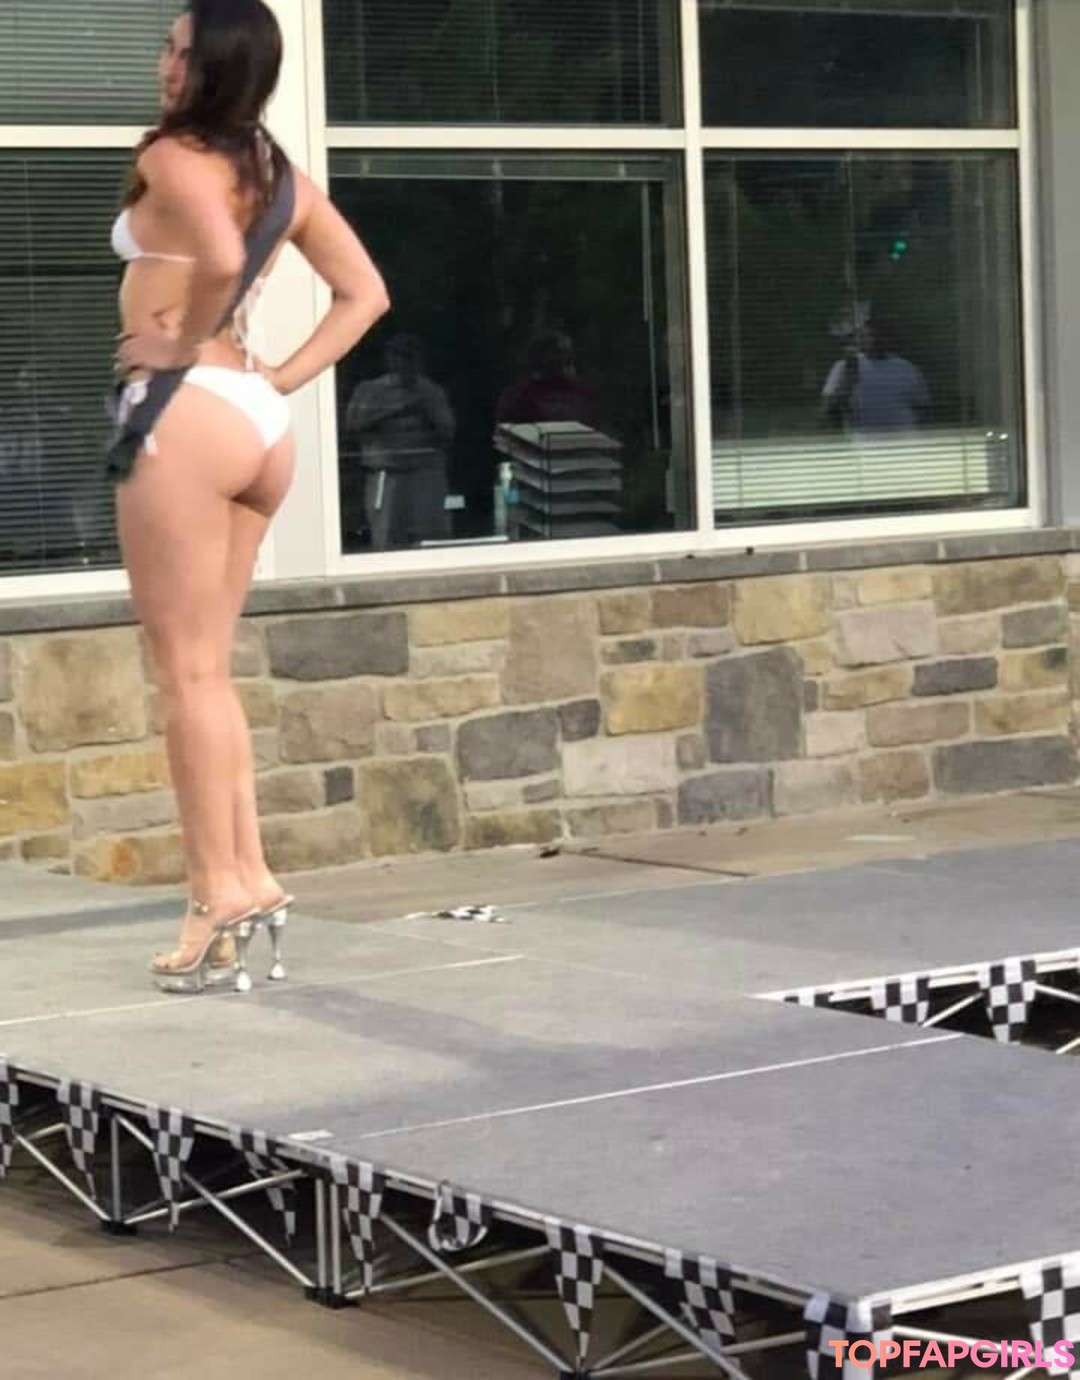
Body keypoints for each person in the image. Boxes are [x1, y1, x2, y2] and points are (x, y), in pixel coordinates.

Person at [112, 0, 389, 992]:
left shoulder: (172, 156)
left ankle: (212, 897)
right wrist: (276, 381)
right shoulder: (276, 174)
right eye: (168, 47)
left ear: (223, 66)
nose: (167, 66)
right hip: (256, 422)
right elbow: (366, 294)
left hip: (183, 413)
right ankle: (251, 875)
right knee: (210, 674)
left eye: (184, 53)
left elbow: (224, 262)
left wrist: (180, 342)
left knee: (183, 677)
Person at [344, 334, 454, 549]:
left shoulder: (431, 391)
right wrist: (394, 411)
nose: (404, 361)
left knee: (430, 540)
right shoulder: (369, 390)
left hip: (424, 475)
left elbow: (447, 431)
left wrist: (425, 410)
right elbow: (352, 425)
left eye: (409, 356)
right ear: (389, 358)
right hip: (384, 474)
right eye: (399, 355)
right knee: (386, 541)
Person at [822, 320, 930, 439]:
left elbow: (922, 407)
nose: (873, 340)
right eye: (867, 336)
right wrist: (848, 380)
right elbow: (829, 409)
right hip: (865, 445)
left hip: (904, 444)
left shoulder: (907, 368)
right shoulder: (844, 367)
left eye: (878, 336)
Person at [495, 331, 602, 428]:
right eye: (558, 352)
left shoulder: (583, 393)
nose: (565, 357)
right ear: (540, 356)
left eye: (568, 352)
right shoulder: (518, 395)